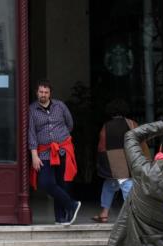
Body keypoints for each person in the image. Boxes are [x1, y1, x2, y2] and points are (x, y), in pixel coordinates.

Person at [28, 79, 80, 225]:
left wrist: (61, 138)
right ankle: (72, 205)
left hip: (63, 150)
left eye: (46, 92)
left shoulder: (60, 106)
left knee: (62, 184)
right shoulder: (32, 110)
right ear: (36, 93)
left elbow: (70, 124)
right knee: (46, 183)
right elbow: (31, 133)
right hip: (44, 153)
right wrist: (34, 155)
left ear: (50, 93)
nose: (43, 94)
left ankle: (61, 218)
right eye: (40, 92)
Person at [92, 99, 147, 223]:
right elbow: (141, 141)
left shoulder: (107, 125)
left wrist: (101, 162)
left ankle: (104, 213)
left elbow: (101, 146)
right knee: (127, 185)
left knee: (109, 185)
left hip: (112, 161)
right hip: (128, 159)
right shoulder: (132, 123)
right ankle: (133, 215)